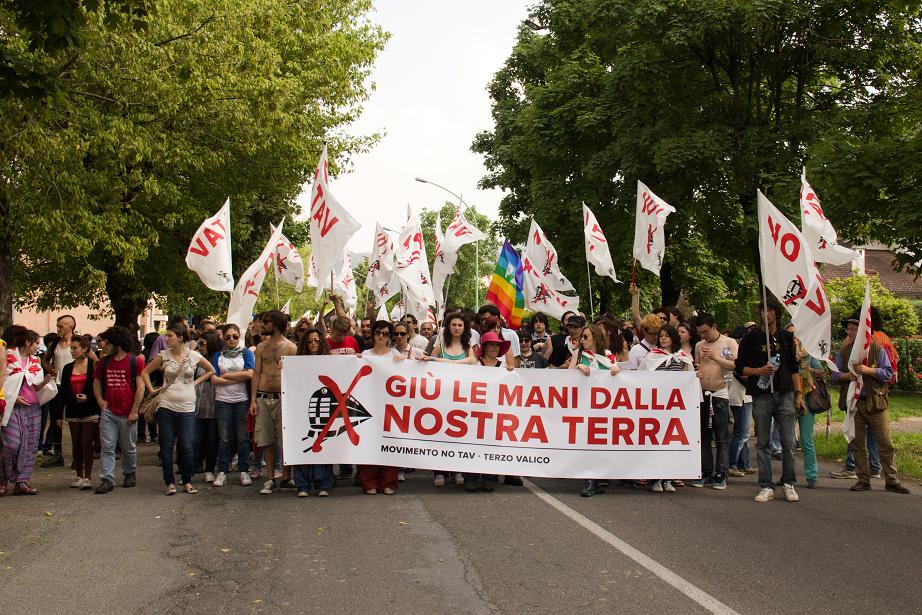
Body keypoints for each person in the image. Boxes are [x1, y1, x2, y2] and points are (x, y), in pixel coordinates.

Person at [831, 313, 909, 494]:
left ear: (862, 331)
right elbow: (834, 375)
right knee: (858, 444)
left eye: (853, 329)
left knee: (885, 443)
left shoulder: (877, 349)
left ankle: (892, 480)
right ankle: (863, 479)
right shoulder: (844, 352)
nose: (849, 332)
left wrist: (869, 370)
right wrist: (845, 376)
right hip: (855, 404)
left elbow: (888, 373)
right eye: (848, 329)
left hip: (876, 403)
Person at [734, 298, 802, 503]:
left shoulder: (787, 338)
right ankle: (766, 485)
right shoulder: (751, 338)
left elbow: (794, 369)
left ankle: (788, 482)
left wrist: (798, 394)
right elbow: (740, 367)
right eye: (763, 310)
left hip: (785, 394)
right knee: (763, 442)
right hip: (761, 395)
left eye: (770, 310)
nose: (767, 314)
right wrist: (758, 371)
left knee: (788, 441)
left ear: (776, 314)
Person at [142, 324, 215, 496]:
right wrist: (152, 390)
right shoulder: (163, 356)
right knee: (166, 446)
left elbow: (211, 370)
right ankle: (169, 482)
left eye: (170, 336)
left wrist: (195, 383)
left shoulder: (194, 356)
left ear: (181, 338)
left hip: (188, 407)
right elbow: (145, 372)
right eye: (166, 336)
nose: (166, 339)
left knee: (187, 446)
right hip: (166, 405)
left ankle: (187, 480)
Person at [423, 311, 476, 488]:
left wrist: (439, 361)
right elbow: (429, 361)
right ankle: (439, 471)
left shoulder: (469, 347)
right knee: (439, 434)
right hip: (440, 398)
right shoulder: (440, 346)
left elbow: (472, 362)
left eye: (460, 325)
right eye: (454, 324)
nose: (457, 328)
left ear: (465, 328)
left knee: (458, 435)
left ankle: (457, 469)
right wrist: (431, 359)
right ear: (448, 326)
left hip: (461, 399)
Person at [568, 323, 621, 498]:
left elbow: (616, 370)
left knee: (600, 443)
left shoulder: (607, 355)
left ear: (596, 338)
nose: (582, 340)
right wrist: (577, 368)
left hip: (604, 408)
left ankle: (596, 479)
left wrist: (615, 369)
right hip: (583, 406)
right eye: (582, 337)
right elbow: (566, 378)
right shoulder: (578, 354)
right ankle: (590, 480)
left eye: (586, 337)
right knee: (587, 443)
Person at [1, 327, 55, 495]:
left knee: (30, 446)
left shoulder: (35, 361)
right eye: (36, 343)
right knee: (10, 444)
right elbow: (3, 380)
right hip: (12, 407)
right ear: (27, 342)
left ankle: (22, 482)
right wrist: (12, 397)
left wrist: (45, 380)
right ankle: (2, 480)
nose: (38, 347)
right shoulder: (8, 355)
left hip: (33, 408)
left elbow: (35, 385)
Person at [92, 326, 146, 495]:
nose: (104, 346)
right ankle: (107, 478)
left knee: (128, 447)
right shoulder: (104, 362)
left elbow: (140, 386)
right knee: (107, 447)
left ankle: (129, 472)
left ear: (118, 343)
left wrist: (134, 410)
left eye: (107, 343)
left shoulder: (135, 361)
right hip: (109, 411)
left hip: (128, 411)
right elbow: (96, 382)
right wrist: (101, 402)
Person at [249, 310, 297, 494]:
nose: (262, 325)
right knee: (266, 439)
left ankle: (286, 476)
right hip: (262, 397)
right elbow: (256, 374)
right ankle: (270, 477)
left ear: (276, 324)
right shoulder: (261, 347)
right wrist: (252, 400)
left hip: (282, 398)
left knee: (286, 439)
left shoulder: (292, 348)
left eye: (266, 322)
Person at [641, 324, 693, 493]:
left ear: (673, 339)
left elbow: (686, 377)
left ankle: (668, 477)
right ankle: (656, 478)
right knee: (656, 442)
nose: (663, 338)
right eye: (661, 335)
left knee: (670, 443)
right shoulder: (652, 356)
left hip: (674, 407)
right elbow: (643, 378)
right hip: (657, 406)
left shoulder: (682, 357)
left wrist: (694, 377)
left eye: (666, 336)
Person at [359, 320, 406, 495]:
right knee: (368, 444)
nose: (381, 336)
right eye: (378, 332)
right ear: (372, 334)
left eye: (385, 333)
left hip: (389, 407)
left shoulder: (394, 353)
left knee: (388, 443)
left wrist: (403, 361)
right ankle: (369, 482)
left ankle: (389, 482)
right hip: (368, 405)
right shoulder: (364, 354)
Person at [464, 331, 513, 492]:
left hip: (495, 413)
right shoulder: (474, 363)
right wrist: (431, 359)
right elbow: (453, 368)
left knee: (492, 445)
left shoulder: (504, 367)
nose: (495, 347)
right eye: (492, 344)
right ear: (484, 347)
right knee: (473, 445)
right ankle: (471, 477)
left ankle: (489, 477)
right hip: (474, 411)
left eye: (497, 345)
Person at [694, 313, 736, 490]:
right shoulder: (698, 345)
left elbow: (734, 365)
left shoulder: (728, 342)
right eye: (700, 333)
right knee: (704, 436)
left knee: (721, 437)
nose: (703, 336)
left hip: (720, 393)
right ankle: (706, 472)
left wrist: (715, 357)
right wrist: (697, 371)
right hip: (702, 393)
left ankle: (721, 473)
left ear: (714, 326)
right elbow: (697, 365)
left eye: (705, 331)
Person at [292, 328, 334, 497]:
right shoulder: (296, 362)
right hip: (302, 407)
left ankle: (323, 483)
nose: (313, 343)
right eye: (309, 341)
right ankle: (303, 484)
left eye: (316, 340)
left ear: (322, 341)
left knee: (324, 443)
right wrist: (285, 367)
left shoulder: (330, 361)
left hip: (324, 407)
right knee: (303, 444)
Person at [211, 324, 255, 487]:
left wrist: (227, 375)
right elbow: (214, 379)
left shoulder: (246, 353)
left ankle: (244, 470)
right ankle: (222, 471)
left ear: (240, 337)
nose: (231, 339)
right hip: (222, 400)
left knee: (242, 438)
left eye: (235, 336)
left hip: (241, 400)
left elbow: (250, 374)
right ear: (223, 337)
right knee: (224, 438)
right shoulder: (217, 355)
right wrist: (239, 376)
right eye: (228, 336)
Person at [40, 315, 81, 467]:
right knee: (56, 419)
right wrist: (52, 371)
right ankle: (58, 454)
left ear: (70, 326)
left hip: (75, 385)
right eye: (57, 326)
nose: (58, 329)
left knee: (76, 419)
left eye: (61, 326)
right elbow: (44, 360)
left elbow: (91, 359)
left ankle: (78, 455)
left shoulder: (79, 342)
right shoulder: (55, 343)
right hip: (57, 386)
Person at [60, 334, 100, 490]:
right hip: (73, 409)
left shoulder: (93, 365)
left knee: (86, 442)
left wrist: (88, 397)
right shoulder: (68, 368)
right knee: (76, 443)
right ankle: (79, 474)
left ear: (85, 349)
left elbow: (98, 387)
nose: (72, 351)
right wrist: (58, 414)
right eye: (71, 348)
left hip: (90, 408)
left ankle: (88, 476)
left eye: (75, 348)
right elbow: (63, 391)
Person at [788, 325, 823, 489]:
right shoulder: (782, 354)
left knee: (807, 440)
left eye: (796, 334)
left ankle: (811, 476)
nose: (794, 337)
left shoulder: (808, 353)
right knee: (787, 441)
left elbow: (821, 372)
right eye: (791, 335)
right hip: (788, 399)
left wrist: (808, 368)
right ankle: (788, 476)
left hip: (806, 399)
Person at [193, 331, 221, 483]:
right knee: (195, 439)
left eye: (203, 343)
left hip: (215, 402)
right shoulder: (196, 357)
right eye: (199, 343)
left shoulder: (218, 357)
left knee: (212, 439)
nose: (200, 346)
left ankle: (209, 469)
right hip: (198, 402)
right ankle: (191, 468)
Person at [139, 331, 161, 445]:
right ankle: (149, 435)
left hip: (151, 383)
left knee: (148, 409)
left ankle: (146, 435)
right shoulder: (147, 355)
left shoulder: (145, 354)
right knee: (148, 409)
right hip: (150, 384)